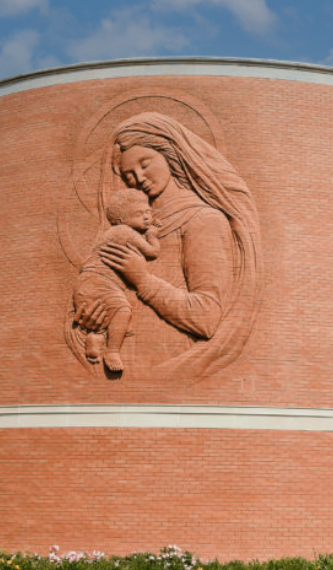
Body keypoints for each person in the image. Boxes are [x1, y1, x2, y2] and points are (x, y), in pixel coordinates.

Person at [67, 112, 262, 379]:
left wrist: (143, 280)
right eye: (129, 175)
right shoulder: (130, 228)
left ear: (170, 154)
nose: (138, 177)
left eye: (145, 164)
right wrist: (90, 315)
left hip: (170, 366)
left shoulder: (203, 219)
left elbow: (206, 319)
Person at [73, 189, 160, 372]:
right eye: (139, 214)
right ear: (120, 220)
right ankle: (112, 351)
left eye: (148, 212)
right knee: (123, 310)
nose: (146, 217)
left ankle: (95, 338)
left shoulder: (113, 233)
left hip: (87, 282)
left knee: (102, 317)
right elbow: (152, 252)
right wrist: (153, 234)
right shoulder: (123, 231)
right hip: (100, 281)